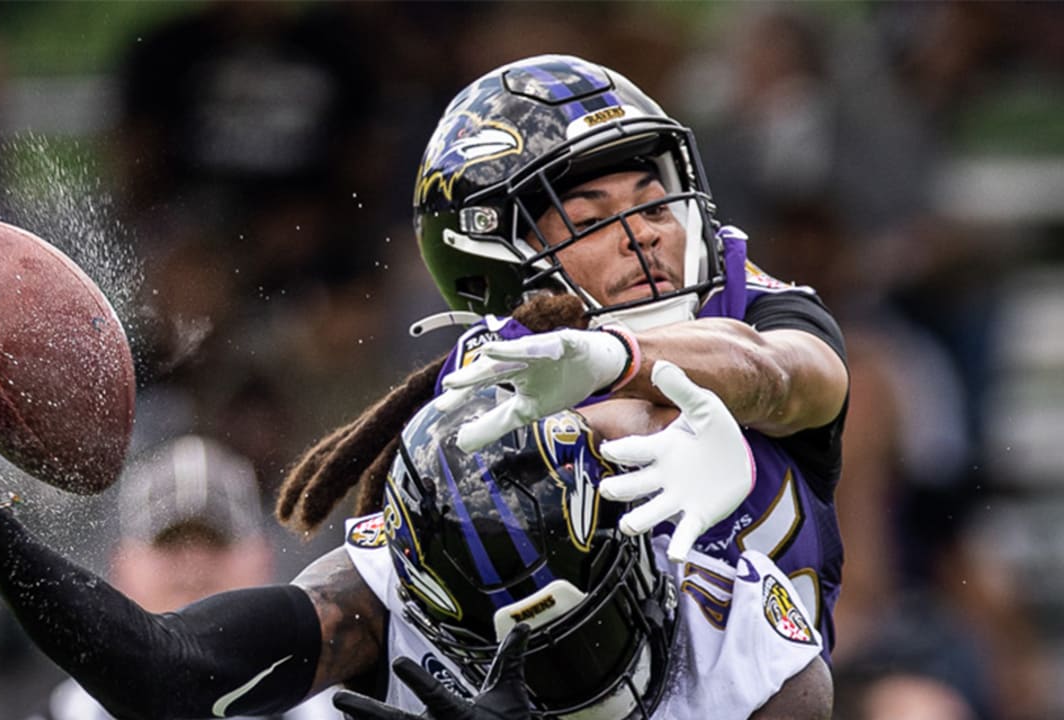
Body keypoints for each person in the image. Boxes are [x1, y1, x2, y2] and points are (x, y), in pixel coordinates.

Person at [0, 336, 831, 719]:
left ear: (640, 562)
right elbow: (170, 679)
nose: (563, 687)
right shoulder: (380, 598)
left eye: (578, 648)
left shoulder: (752, 651)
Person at [277, 53, 848, 660]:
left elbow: (785, 373)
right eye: (591, 220)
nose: (646, 234)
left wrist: (615, 359)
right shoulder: (494, 377)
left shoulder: (749, 304)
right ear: (496, 258)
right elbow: (372, 588)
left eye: (653, 206)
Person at [25, 434, 338, 720]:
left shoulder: (335, 713)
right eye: (169, 543)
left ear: (262, 559)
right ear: (122, 565)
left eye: (217, 542)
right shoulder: (63, 714)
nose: (193, 569)